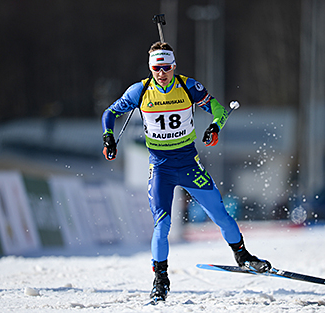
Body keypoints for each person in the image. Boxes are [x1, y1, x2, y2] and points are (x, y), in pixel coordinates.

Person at [101, 41, 271, 301]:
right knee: (162, 223)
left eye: (166, 67)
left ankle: (243, 257)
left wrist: (215, 127)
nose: (162, 73)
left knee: (220, 213)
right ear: (151, 68)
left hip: (189, 164)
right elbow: (110, 112)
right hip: (161, 168)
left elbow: (219, 110)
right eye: (157, 68)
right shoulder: (139, 91)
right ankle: (160, 279)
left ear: (174, 65)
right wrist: (108, 137)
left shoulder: (188, 86)